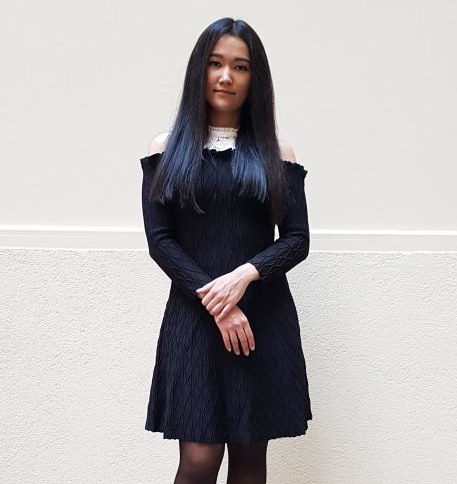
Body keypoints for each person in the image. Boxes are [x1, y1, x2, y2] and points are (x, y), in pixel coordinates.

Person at [140, 17, 312, 484]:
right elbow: (161, 241)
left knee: (250, 463)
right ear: (199, 70)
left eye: (240, 66)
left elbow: (297, 239)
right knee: (198, 461)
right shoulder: (167, 149)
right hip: (194, 318)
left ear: (255, 78)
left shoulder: (277, 151)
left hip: (259, 320)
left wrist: (244, 275)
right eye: (215, 64)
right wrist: (218, 302)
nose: (225, 76)